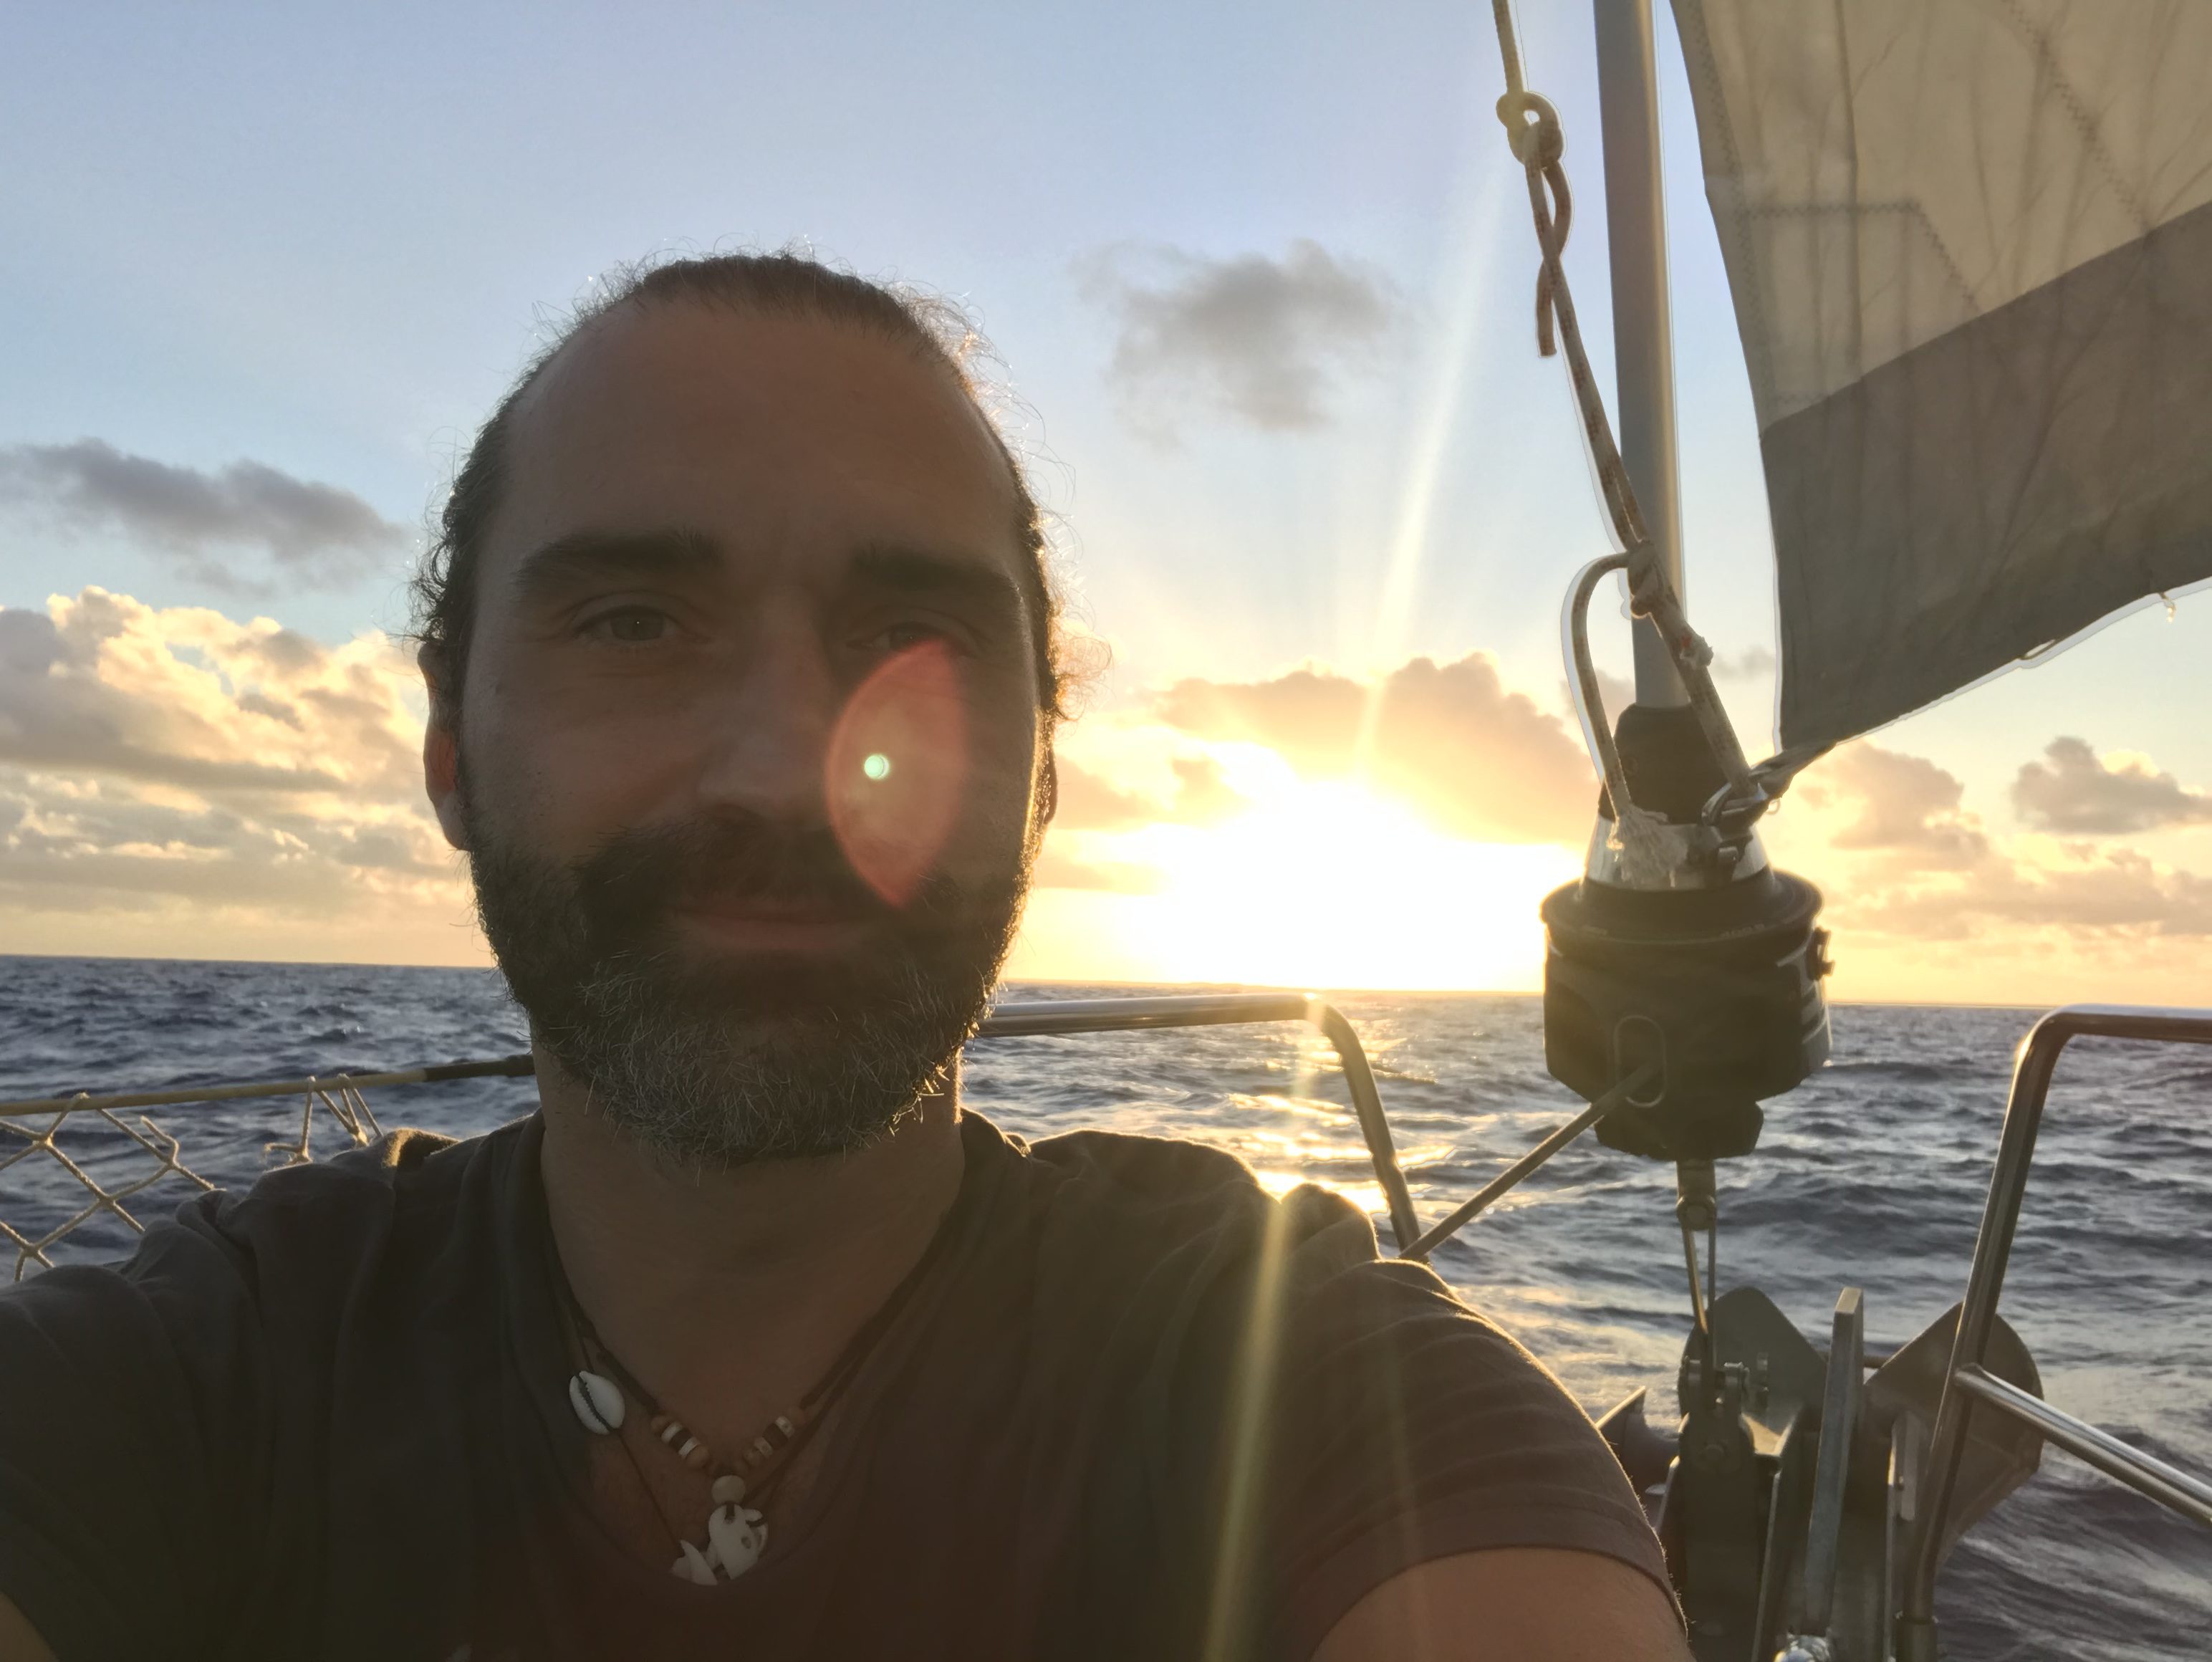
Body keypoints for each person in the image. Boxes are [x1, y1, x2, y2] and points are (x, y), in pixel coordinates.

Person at [0, 252, 1687, 1661]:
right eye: (634, 622)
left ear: (1039, 774)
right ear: (450, 747)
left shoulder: (1295, 1378)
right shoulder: (180, 1381)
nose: (783, 769)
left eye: (914, 639)